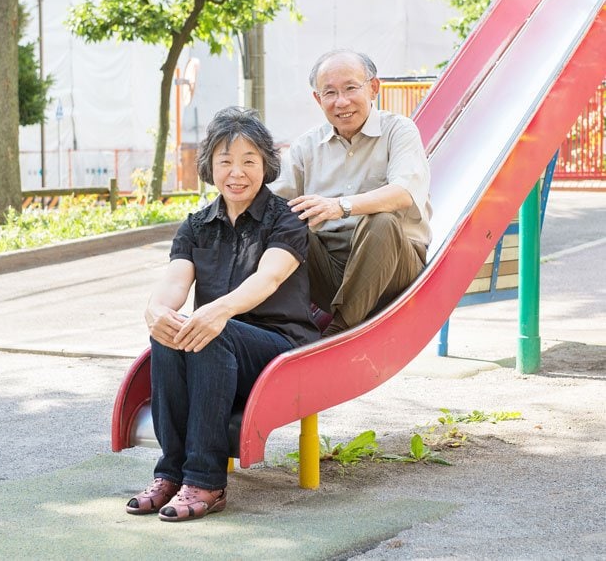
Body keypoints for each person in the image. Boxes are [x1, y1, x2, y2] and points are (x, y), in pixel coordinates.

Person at [126, 106, 320, 522]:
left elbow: (267, 280)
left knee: (213, 330)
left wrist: (217, 312)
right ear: (210, 167)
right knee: (168, 332)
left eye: (249, 161)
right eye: (226, 161)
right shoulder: (197, 225)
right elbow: (175, 283)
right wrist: (155, 312)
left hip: (280, 348)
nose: (237, 172)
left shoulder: (287, 219)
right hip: (215, 343)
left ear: (266, 164)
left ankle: (205, 481)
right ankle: (170, 474)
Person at [270, 49, 432, 337]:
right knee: (283, 224)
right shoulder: (306, 146)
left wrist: (340, 206)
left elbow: (404, 192)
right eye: (329, 93)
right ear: (318, 100)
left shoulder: (399, 131)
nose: (341, 102)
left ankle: (339, 332)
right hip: (330, 270)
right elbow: (273, 205)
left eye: (350, 88)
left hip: (393, 268)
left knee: (381, 220)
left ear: (373, 88)